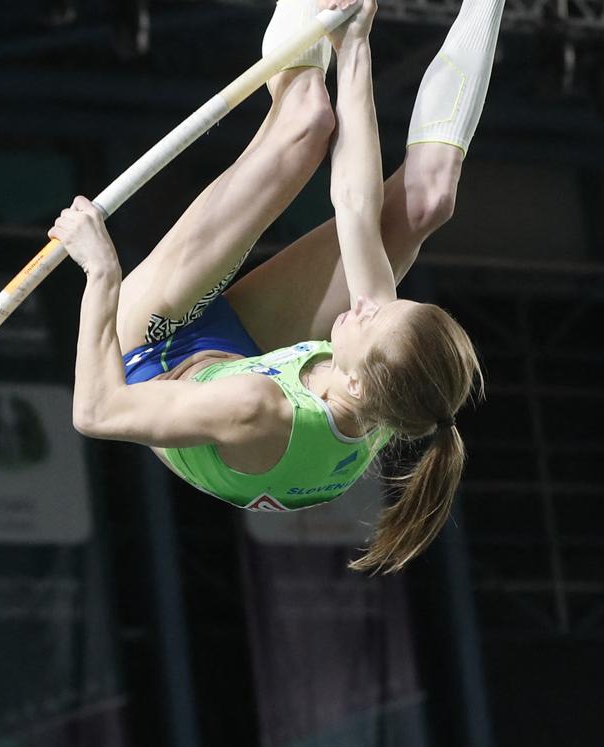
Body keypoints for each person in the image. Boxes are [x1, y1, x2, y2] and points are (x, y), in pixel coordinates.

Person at [49, 0, 501, 573]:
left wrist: (101, 275)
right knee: (425, 201)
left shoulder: (257, 406)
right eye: (387, 306)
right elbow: (356, 210)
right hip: (248, 357)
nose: (367, 306)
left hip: (150, 358)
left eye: (370, 319)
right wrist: (354, 46)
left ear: (359, 386)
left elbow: (96, 410)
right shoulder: (401, 390)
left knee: (303, 121)